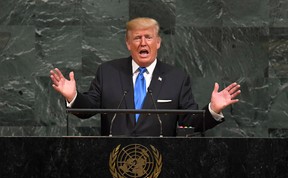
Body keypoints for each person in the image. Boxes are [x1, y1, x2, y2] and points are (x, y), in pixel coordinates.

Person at [50, 17, 241, 137]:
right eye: (137, 38)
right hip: (113, 163)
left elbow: (189, 121)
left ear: (158, 42)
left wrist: (213, 110)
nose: (143, 43)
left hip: (161, 165)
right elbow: (88, 109)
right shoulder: (108, 72)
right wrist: (73, 96)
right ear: (128, 43)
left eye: (148, 37)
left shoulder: (176, 77)